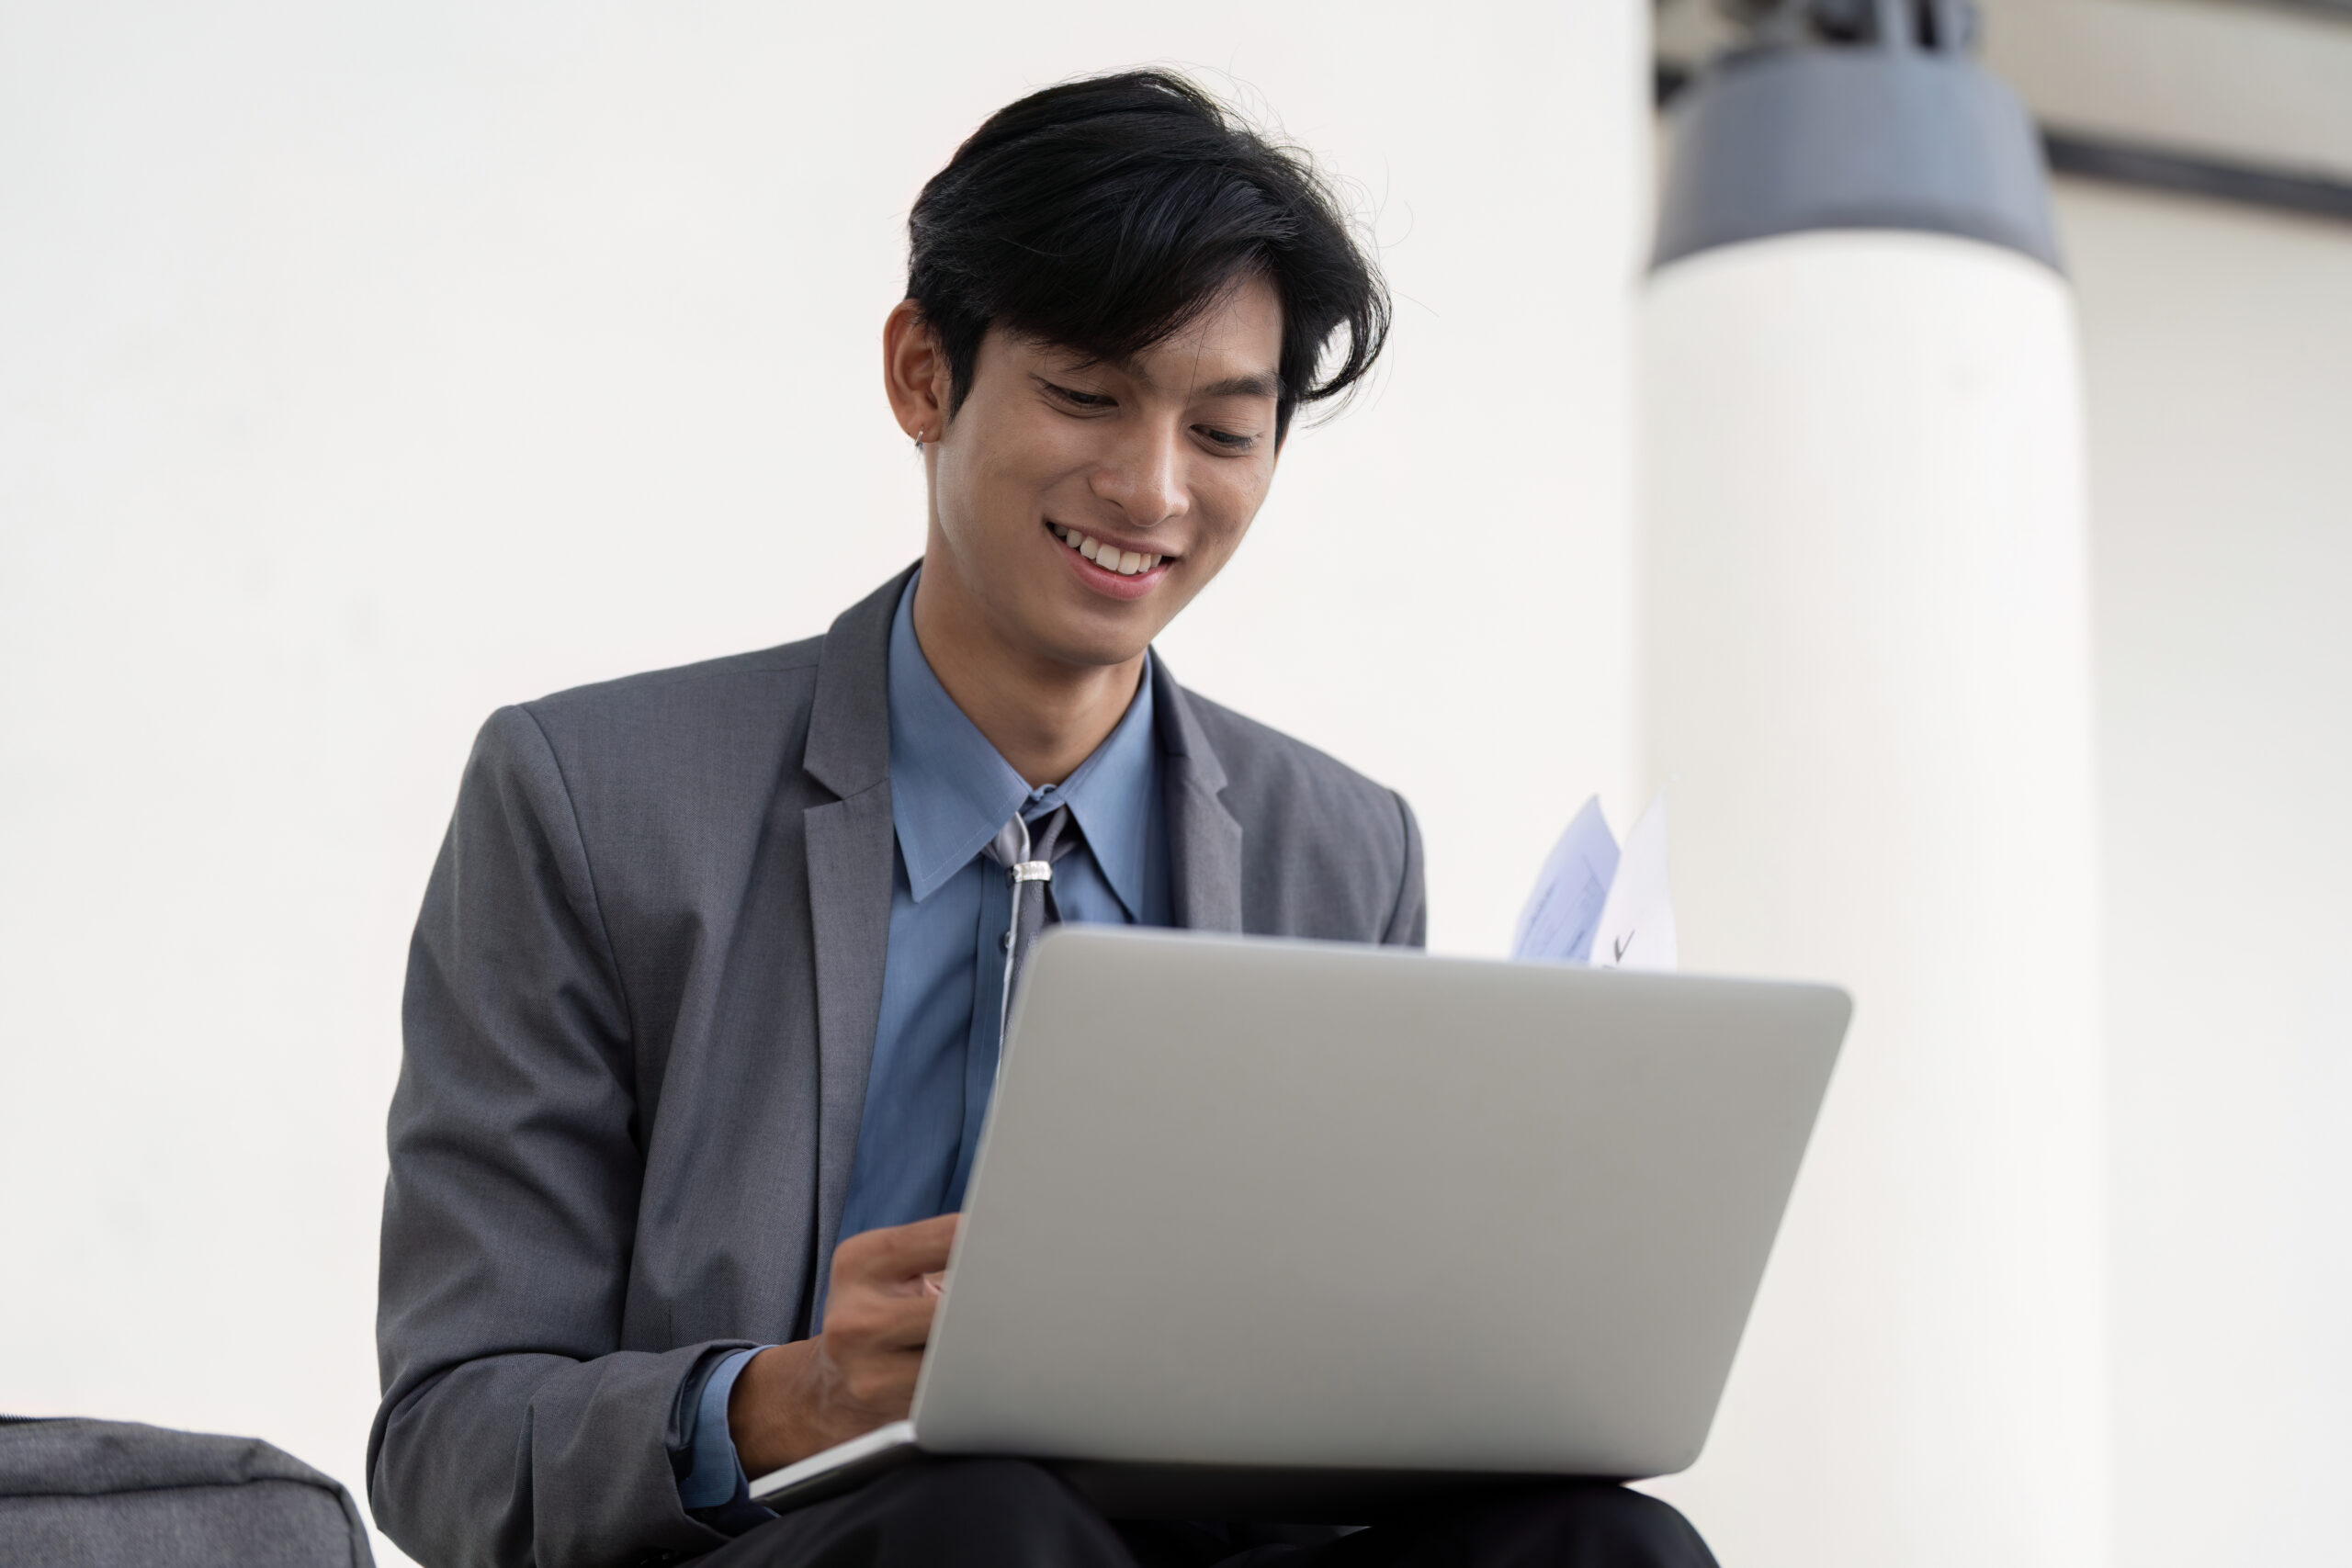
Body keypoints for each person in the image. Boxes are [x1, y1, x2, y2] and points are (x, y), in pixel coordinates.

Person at [369, 70, 1719, 1568]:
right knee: (986, 1527)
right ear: (922, 377)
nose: (1151, 489)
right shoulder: (591, 799)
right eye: (1086, 396)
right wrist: (789, 1400)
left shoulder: (1345, 850)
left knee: (1611, 1544)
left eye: (1225, 432)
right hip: (830, 1552)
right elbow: (448, 1438)